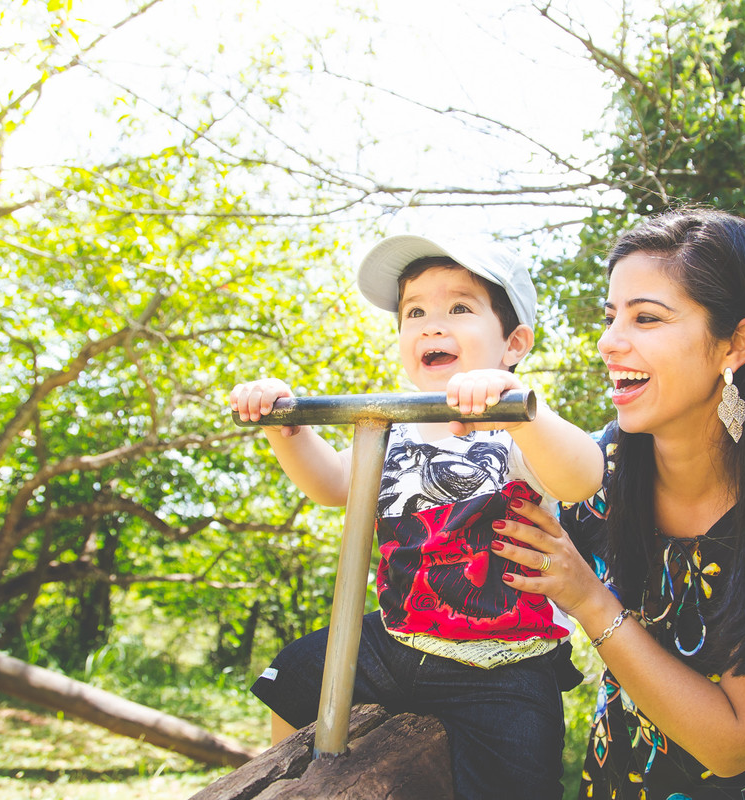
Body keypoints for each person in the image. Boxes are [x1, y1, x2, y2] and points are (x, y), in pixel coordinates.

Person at [488, 209, 745, 799]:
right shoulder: (594, 477)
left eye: (646, 317)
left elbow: (733, 744)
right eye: (610, 317)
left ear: (735, 344)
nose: (608, 342)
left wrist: (589, 601)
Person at [229, 234, 604, 799]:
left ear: (514, 343)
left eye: (459, 307)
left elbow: (583, 476)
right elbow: (332, 486)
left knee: (519, 774)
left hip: (498, 659)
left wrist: (523, 408)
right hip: (395, 638)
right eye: (415, 312)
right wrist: (290, 430)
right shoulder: (390, 426)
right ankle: (293, 780)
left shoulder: (518, 427)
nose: (432, 324)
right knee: (299, 672)